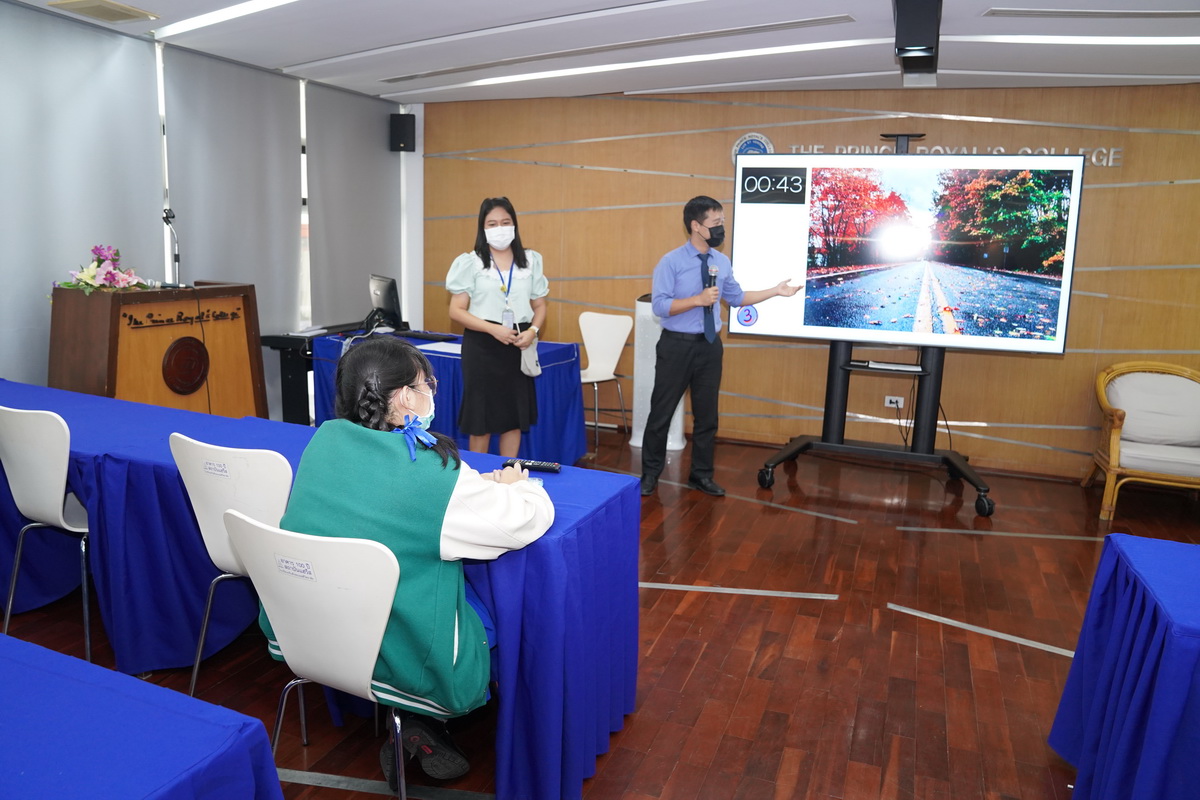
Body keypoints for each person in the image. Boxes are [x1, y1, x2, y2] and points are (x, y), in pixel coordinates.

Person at [258, 336, 555, 782]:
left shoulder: (324, 440)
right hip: (398, 643)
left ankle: (412, 720)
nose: (432, 392)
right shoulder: (433, 472)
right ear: (403, 398)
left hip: (311, 627)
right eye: (426, 384)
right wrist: (521, 487)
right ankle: (429, 714)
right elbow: (521, 523)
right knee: (500, 610)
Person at [640, 195, 799, 498]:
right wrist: (697, 300)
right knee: (661, 413)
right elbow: (659, 306)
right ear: (696, 226)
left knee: (707, 417)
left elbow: (737, 298)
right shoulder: (671, 262)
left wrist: (776, 291)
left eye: (722, 222)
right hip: (676, 347)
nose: (721, 228)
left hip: (710, 347)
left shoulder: (721, 261)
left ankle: (701, 475)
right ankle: (649, 474)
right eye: (716, 223)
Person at [446, 197, 549, 457]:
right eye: (492, 224)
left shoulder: (531, 261)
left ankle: (508, 474)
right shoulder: (471, 263)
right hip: (482, 347)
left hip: (518, 344)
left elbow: (540, 306)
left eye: (505, 222)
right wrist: (493, 329)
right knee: (480, 420)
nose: (500, 228)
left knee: (513, 418)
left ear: (514, 224)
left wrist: (533, 331)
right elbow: (456, 310)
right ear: (483, 228)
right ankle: (480, 475)